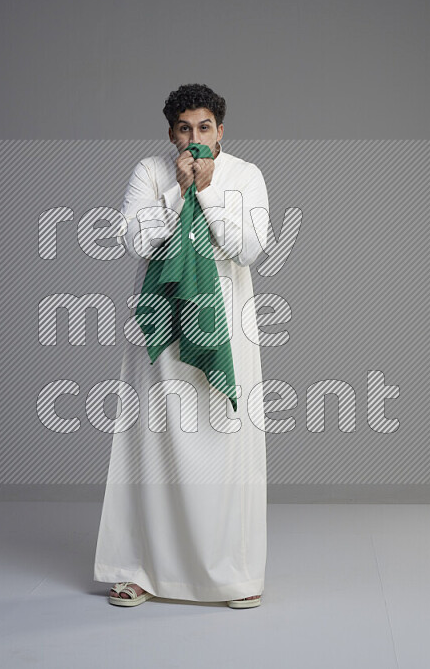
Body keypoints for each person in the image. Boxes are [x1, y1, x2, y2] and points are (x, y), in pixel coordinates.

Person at [93, 83, 270, 609]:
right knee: (153, 443)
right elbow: (133, 240)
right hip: (163, 320)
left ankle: (234, 574)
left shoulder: (246, 175)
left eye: (205, 129)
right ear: (171, 134)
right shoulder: (150, 173)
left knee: (225, 440)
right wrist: (178, 191)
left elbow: (251, 247)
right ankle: (139, 569)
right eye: (185, 130)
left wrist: (209, 191)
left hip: (226, 319)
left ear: (221, 130)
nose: (195, 140)